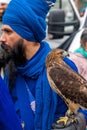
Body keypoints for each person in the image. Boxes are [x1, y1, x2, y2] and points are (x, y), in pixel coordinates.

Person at [0, 0, 87, 130]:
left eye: (8, 31)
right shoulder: (10, 69)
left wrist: (80, 120)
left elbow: (83, 102)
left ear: (26, 33)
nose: (2, 38)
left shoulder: (60, 67)